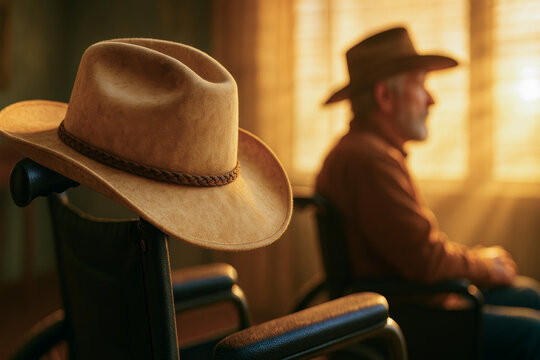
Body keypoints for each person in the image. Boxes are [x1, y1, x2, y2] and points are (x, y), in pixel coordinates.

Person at [316, 27, 540, 359]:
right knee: (533, 331)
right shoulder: (369, 160)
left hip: (411, 302)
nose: (431, 99)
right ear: (385, 97)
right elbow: (425, 261)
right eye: (420, 84)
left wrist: (479, 263)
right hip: (407, 316)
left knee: (528, 295)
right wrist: (484, 265)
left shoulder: (366, 152)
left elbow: (417, 253)